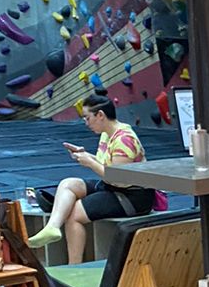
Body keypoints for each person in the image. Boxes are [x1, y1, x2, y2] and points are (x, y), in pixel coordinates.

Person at [28, 93, 153, 263]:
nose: (86, 123)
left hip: (133, 196)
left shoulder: (125, 139)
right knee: (68, 183)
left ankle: (74, 266)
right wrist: (85, 155)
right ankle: (52, 227)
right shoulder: (106, 134)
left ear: (100, 115)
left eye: (87, 118)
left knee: (74, 214)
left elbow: (119, 179)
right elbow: (107, 164)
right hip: (112, 186)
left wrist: (90, 163)